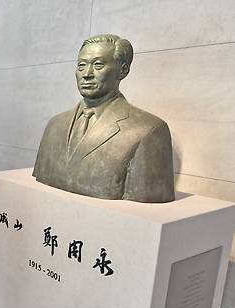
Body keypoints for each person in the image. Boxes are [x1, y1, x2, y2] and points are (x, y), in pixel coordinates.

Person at [32, 34, 175, 203]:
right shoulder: (55, 125)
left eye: (98, 65)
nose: (86, 74)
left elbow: (149, 195)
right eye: (81, 66)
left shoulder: (149, 131)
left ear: (122, 70)